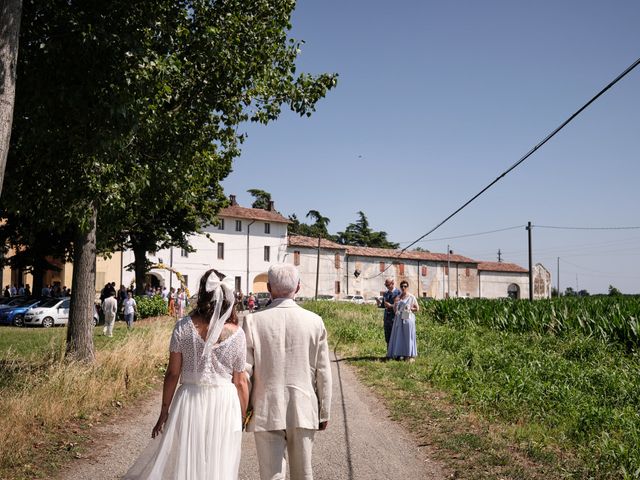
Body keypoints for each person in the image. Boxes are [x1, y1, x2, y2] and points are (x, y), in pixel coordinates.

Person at [124, 269, 248, 479]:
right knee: (218, 458)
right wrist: (242, 416)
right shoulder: (237, 334)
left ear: (202, 293)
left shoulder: (183, 327)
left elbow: (173, 374)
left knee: (188, 456)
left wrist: (164, 410)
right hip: (225, 403)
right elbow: (240, 381)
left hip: (189, 400)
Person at [243, 264, 332, 480]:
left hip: (265, 407)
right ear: (298, 287)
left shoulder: (253, 321)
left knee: (271, 474)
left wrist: (243, 410)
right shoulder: (315, 321)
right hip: (304, 406)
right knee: (303, 473)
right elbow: (323, 372)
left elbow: (245, 373)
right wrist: (324, 411)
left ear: (269, 287)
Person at [387, 280, 419, 362]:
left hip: (408, 318)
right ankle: (399, 353)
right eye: (402, 286)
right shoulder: (398, 297)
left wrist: (409, 308)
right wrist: (395, 308)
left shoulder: (411, 297)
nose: (403, 288)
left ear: (407, 287)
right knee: (399, 337)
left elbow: (417, 309)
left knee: (408, 337)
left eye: (405, 286)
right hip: (399, 319)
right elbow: (394, 308)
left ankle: (408, 355)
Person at [379, 277, 401, 355]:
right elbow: (383, 305)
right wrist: (379, 304)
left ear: (392, 283)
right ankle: (389, 353)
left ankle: (396, 353)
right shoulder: (385, 293)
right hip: (387, 317)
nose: (387, 286)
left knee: (395, 335)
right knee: (387, 335)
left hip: (395, 317)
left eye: (388, 285)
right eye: (386, 285)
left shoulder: (398, 292)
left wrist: (391, 306)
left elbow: (400, 306)